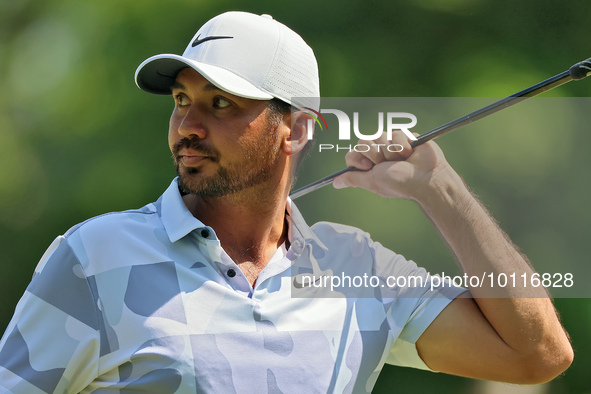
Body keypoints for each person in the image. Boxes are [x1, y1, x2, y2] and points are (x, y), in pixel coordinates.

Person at [0, 11, 573, 393]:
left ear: (295, 130)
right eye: (181, 100)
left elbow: (535, 354)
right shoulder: (94, 257)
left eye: (221, 104)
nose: (188, 126)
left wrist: (441, 191)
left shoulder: (358, 271)